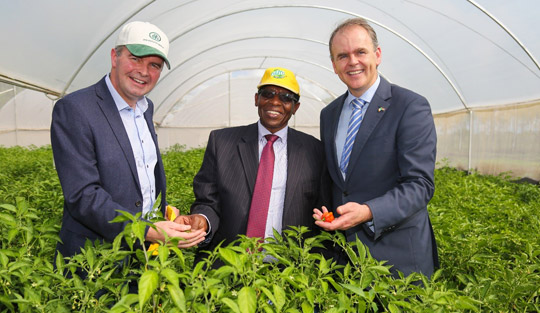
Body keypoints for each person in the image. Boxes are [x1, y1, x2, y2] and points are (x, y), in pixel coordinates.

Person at [50, 21, 206, 264]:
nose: (144, 71)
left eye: (154, 64)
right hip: (96, 257)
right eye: (135, 58)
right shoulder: (75, 109)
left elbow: (140, 175)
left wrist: (163, 212)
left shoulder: (145, 108)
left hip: (145, 252)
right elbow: (83, 195)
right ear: (115, 57)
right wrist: (146, 230)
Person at [314, 17, 438, 278]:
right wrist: (326, 211)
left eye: (361, 52)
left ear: (377, 55)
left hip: (399, 258)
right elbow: (339, 181)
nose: (353, 62)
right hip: (346, 257)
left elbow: (419, 185)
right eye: (343, 56)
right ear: (334, 65)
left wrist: (368, 212)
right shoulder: (329, 113)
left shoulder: (409, 106)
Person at [186, 67, 330, 265]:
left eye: (286, 98)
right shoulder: (222, 142)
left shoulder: (314, 150)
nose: (275, 102)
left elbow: (321, 207)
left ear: (295, 107)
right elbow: (207, 200)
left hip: (290, 271)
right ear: (256, 99)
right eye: (267, 94)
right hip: (229, 264)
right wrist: (203, 219)